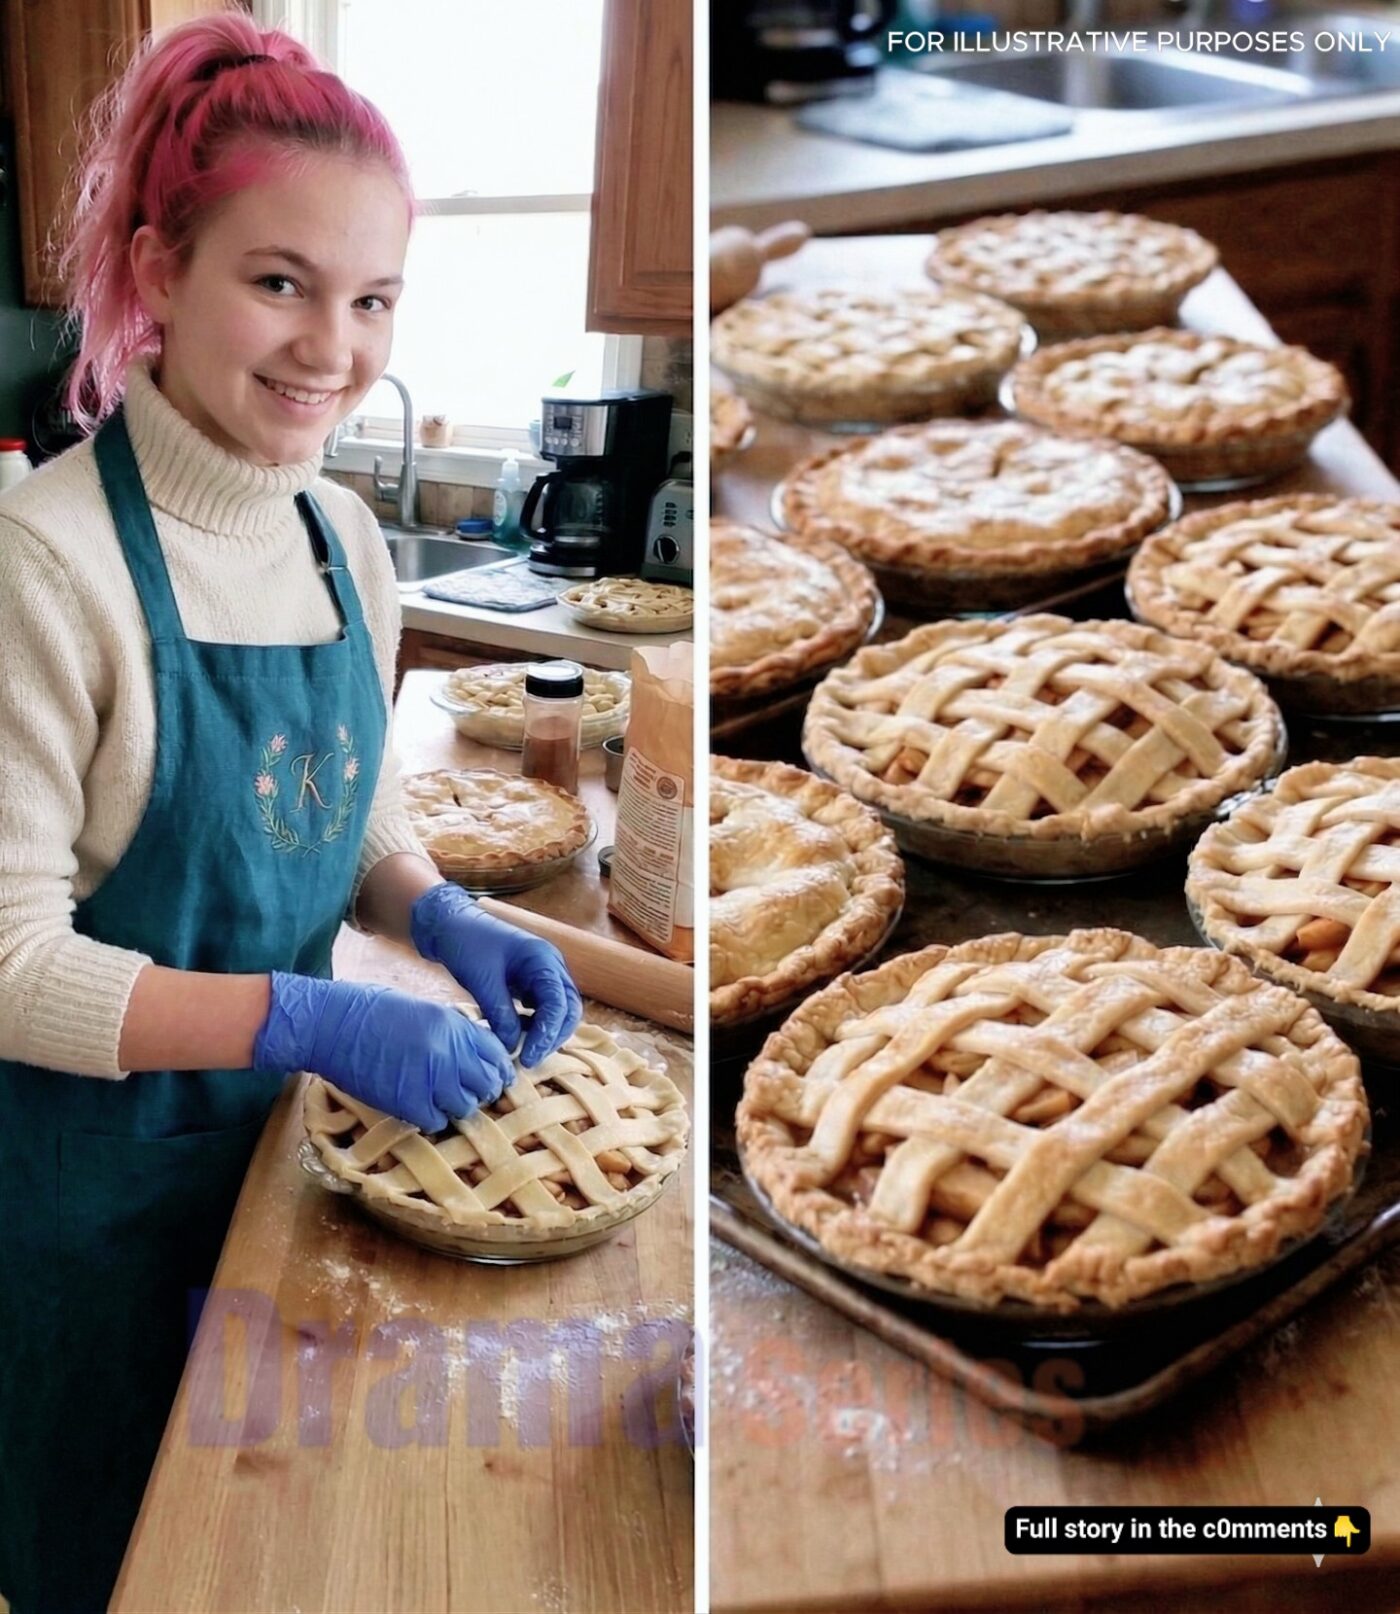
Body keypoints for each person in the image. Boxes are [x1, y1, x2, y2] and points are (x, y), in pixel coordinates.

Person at [0, 15, 581, 1610]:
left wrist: (430, 903)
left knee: (260, 1556)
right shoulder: (47, 569)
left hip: (287, 1181)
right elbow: (8, 968)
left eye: (374, 295)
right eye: (279, 281)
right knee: (110, 1564)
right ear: (156, 268)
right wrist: (306, 1013)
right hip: (89, 1218)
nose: (334, 345)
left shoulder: (341, 536)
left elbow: (347, 799)